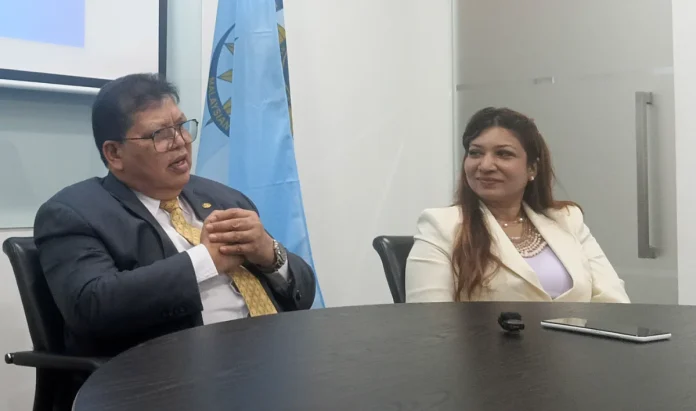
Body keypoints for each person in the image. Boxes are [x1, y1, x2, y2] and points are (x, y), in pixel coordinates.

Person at [34, 73, 316, 358]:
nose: (181, 141)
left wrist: (270, 254)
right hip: (179, 371)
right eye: (161, 134)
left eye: (181, 126)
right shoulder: (75, 213)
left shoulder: (223, 197)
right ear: (114, 153)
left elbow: (303, 295)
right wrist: (205, 261)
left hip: (274, 355)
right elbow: (90, 306)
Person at [405, 107, 630, 303]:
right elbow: (432, 323)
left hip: (576, 340)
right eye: (475, 153)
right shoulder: (440, 226)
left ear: (532, 168)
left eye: (503, 154)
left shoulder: (567, 218)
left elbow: (613, 301)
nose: (485, 165)